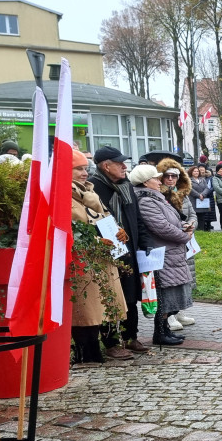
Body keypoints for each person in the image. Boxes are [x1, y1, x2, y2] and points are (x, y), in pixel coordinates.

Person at [89, 146, 150, 357]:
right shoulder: (94, 188)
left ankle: (130, 337)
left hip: (130, 250)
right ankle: (111, 343)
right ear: (106, 166)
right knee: (111, 296)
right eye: (119, 163)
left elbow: (137, 218)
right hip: (107, 252)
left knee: (131, 295)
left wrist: (143, 244)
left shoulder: (126, 186)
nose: (125, 166)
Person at [70, 149, 129, 363]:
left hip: (104, 259)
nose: (85, 173)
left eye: (86, 168)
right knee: (87, 310)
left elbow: (104, 220)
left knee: (108, 304)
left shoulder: (90, 192)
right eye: (78, 168)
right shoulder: (63, 195)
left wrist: (118, 232)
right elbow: (70, 231)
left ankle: (109, 344)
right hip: (84, 261)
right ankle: (87, 351)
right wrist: (96, 242)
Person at [131, 164, 194, 347]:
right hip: (162, 254)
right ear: (145, 182)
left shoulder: (154, 197)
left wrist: (183, 227)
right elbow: (160, 227)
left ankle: (164, 329)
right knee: (163, 295)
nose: (160, 181)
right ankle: (159, 332)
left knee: (170, 295)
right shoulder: (145, 200)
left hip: (171, 253)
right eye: (156, 178)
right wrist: (183, 236)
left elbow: (170, 221)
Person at [156, 157, 197, 330]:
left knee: (186, 277)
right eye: (168, 176)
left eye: (174, 176)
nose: (171, 179)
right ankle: (170, 315)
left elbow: (193, 214)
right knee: (171, 280)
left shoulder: (183, 194)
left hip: (186, 241)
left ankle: (180, 310)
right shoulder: (160, 196)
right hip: (171, 243)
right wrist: (181, 229)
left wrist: (192, 225)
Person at [190, 165, 215, 231]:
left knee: (202, 216)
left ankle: (201, 229)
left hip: (202, 200)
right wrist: (198, 195)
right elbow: (190, 189)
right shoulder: (189, 180)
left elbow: (207, 188)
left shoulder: (202, 179)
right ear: (191, 172)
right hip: (194, 200)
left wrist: (203, 195)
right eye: (194, 171)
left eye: (197, 171)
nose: (196, 172)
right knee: (195, 216)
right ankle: (195, 230)